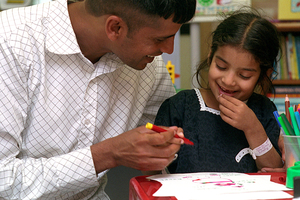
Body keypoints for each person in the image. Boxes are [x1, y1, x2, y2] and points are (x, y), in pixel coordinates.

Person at [0, 0, 196, 199]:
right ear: (115, 27)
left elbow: (175, 140)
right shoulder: (10, 42)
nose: (169, 49)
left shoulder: (146, 67)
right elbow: (3, 180)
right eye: (159, 39)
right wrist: (107, 154)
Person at [153, 9, 284, 174]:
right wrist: (160, 150)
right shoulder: (181, 106)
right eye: (221, 67)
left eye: (244, 75)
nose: (228, 81)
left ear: (264, 75)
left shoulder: (264, 110)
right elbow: (150, 172)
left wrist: (253, 128)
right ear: (210, 56)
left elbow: (275, 171)